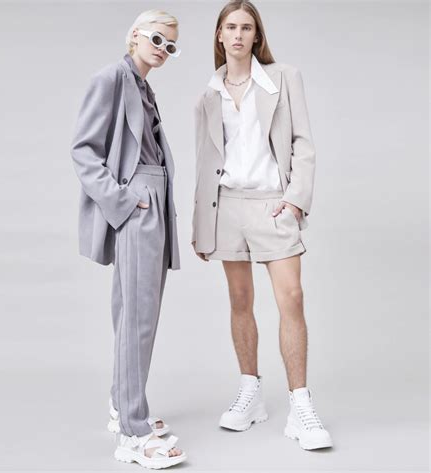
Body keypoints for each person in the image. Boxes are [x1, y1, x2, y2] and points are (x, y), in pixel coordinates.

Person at [191, 0, 333, 450]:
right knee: (239, 300)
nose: (238, 35)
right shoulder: (208, 95)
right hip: (227, 206)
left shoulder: (284, 78)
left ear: (257, 35)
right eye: (230, 27)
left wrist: (294, 202)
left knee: (292, 298)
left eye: (246, 27)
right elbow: (204, 163)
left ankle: (300, 406)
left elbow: (303, 143)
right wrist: (201, 224)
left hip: (273, 204)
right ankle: (250, 393)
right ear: (219, 35)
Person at [70, 9, 187, 469]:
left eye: (170, 46)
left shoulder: (142, 86)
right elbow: (84, 150)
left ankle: (124, 405)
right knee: (137, 316)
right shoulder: (111, 78)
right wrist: (123, 200)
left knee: (139, 313)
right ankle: (133, 436)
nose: (162, 50)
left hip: (154, 202)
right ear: (135, 34)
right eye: (157, 39)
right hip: (137, 203)